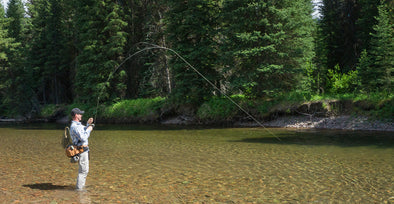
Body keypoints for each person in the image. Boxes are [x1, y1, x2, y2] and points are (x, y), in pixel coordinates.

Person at [70, 108, 94, 191]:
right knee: (83, 171)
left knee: (84, 170)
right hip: (82, 151)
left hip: (83, 150)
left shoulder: (78, 125)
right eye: (80, 114)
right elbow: (83, 137)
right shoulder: (75, 127)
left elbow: (83, 130)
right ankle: (79, 190)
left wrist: (88, 124)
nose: (81, 115)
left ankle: (81, 187)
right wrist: (89, 129)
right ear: (76, 115)